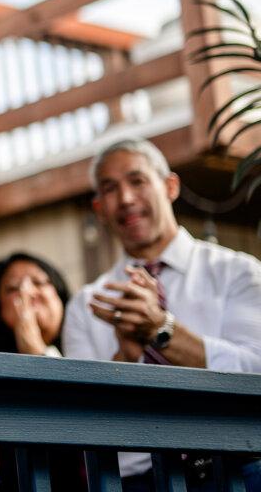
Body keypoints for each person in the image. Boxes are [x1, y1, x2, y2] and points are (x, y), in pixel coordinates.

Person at [63, 138, 261, 491]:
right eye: (110, 189)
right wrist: (125, 355)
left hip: (239, 465)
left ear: (170, 186)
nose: (125, 199)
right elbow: (85, 422)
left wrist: (160, 329)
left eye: (137, 181)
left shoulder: (238, 272)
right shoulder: (85, 304)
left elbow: (255, 372)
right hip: (136, 481)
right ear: (99, 209)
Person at [0, 252, 85, 491]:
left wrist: (37, 352)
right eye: (12, 288)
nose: (27, 292)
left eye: (39, 282)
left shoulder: (88, 350)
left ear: (60, 295)